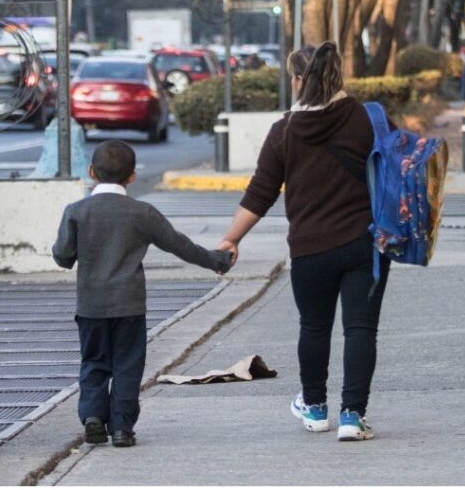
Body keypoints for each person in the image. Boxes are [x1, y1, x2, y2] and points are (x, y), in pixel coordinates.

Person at [217, 42, 395, 442]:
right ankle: (353, 416)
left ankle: (314, 407)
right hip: (364, 244)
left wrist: (230, 240)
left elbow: (260, 194)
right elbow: (398, 167)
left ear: (299, 80)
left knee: (314, 328)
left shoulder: (285, 130)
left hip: (310, 249)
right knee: (361, 329)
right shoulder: (367, 119)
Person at [52, 140, 233, 448]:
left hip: (91, 306)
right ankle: (122, 427)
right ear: (132, 176)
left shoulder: (77, 211)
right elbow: (179, 245)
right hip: (129, 305)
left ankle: (93, 418)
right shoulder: (142, 213)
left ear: (91, 172)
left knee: (94, 361)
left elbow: (62, 256)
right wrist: (218, 259)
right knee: (127, 365)